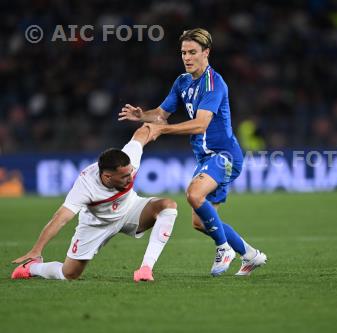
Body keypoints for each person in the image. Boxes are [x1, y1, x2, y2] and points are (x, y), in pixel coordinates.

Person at [119, 28, 267, 276]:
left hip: (225, 156)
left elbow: (200, 124)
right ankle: (251, 255)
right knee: (200, 222)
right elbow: (161, 114)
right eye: (183, 53)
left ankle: (224, 249)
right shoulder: (182, 82)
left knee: (194, 194)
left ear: (206, 52)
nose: (187, 58)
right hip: (206, 158)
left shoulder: (214, 84)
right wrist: (142, 115)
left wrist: (162, 130)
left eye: (192, 52)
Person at [11, 125, 178, 282]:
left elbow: (141, 134)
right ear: (107, 177)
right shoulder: (85, 186)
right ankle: (32, 268)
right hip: (97, 225)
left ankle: (146, 268)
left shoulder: (129, 160)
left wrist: (155, 123)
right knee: (69, 273)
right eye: (124, 177)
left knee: (168, 205)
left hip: (130, 210)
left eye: (130, 173)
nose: (130, 177)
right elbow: (60, 218)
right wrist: (37, 249)